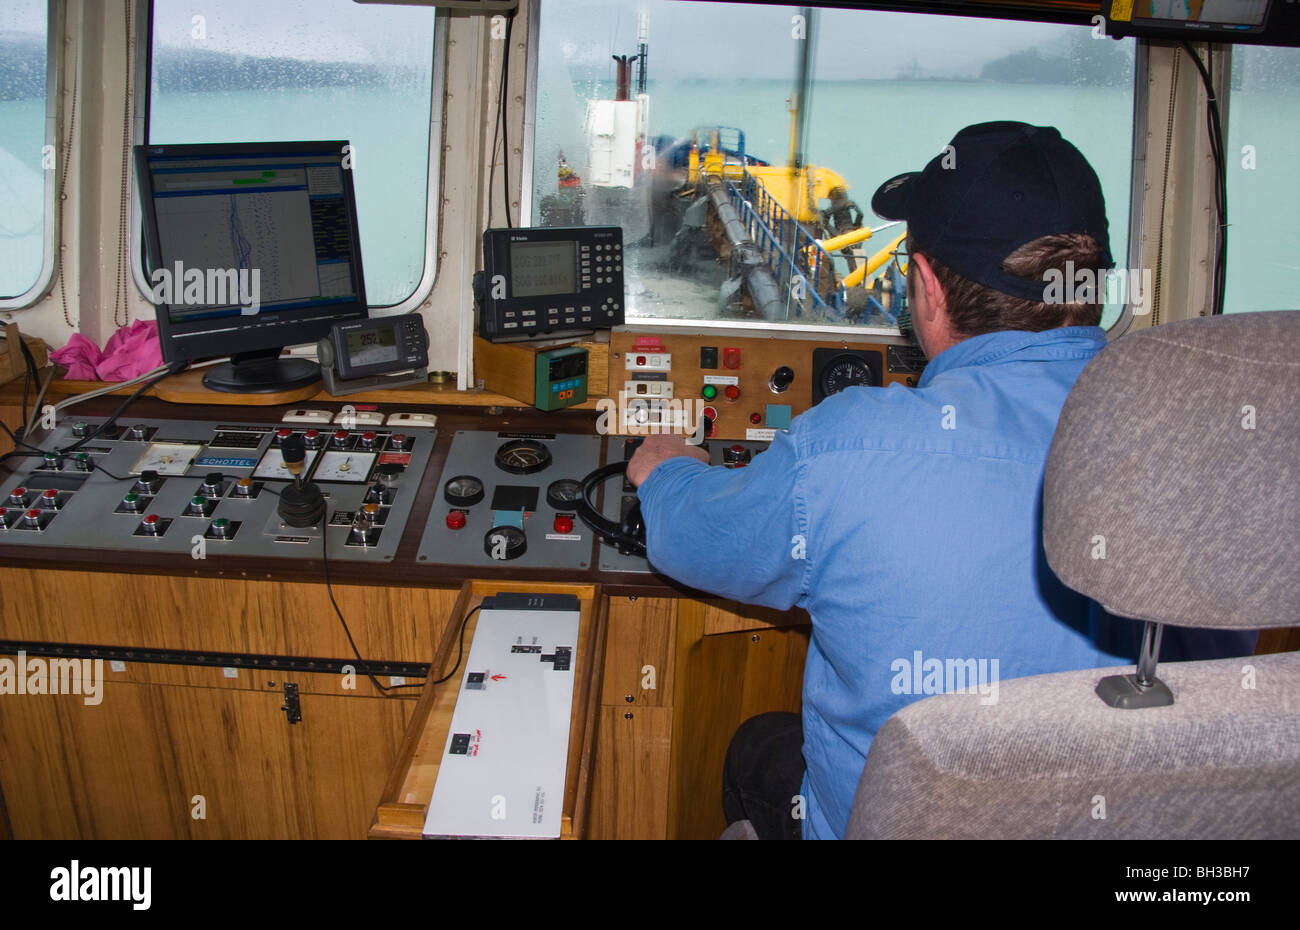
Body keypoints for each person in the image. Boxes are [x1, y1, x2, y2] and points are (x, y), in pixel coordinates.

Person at [627, 121, 1139, 840]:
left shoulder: (849, 448)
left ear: (926, 287)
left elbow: (694, 538)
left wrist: (666, 472)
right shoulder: (1201, 459)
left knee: (756, 750)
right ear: (1092, 287)